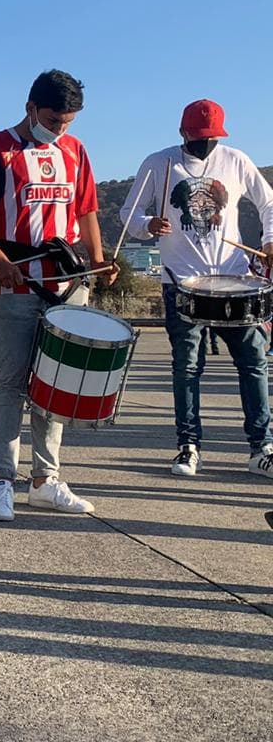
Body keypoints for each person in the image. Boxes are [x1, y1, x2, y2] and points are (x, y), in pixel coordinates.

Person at [0, 69, 113, 522]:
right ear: (30, 108)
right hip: (17, 284)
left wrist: (98, 261)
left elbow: (85, 211)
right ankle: (1, 482)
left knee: (56, 388)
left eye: (68, 121)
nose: (61, 128)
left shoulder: (75, 150)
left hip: (68, 285)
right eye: (53, 118)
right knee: (11, 384)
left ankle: (46, 481)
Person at [118, 99, 273, 479]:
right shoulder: (159, 163)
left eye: (213, 138)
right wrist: (148, 225)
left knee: (253, 363)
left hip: (234, 280)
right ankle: (188, 447)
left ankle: (261, 447)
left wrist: (269, 241)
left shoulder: (236, 160)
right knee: (187, 368)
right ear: (183, 132)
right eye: (199, 137)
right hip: (181, 282)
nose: (206, 144)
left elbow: (268, 202)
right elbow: (128, 215)